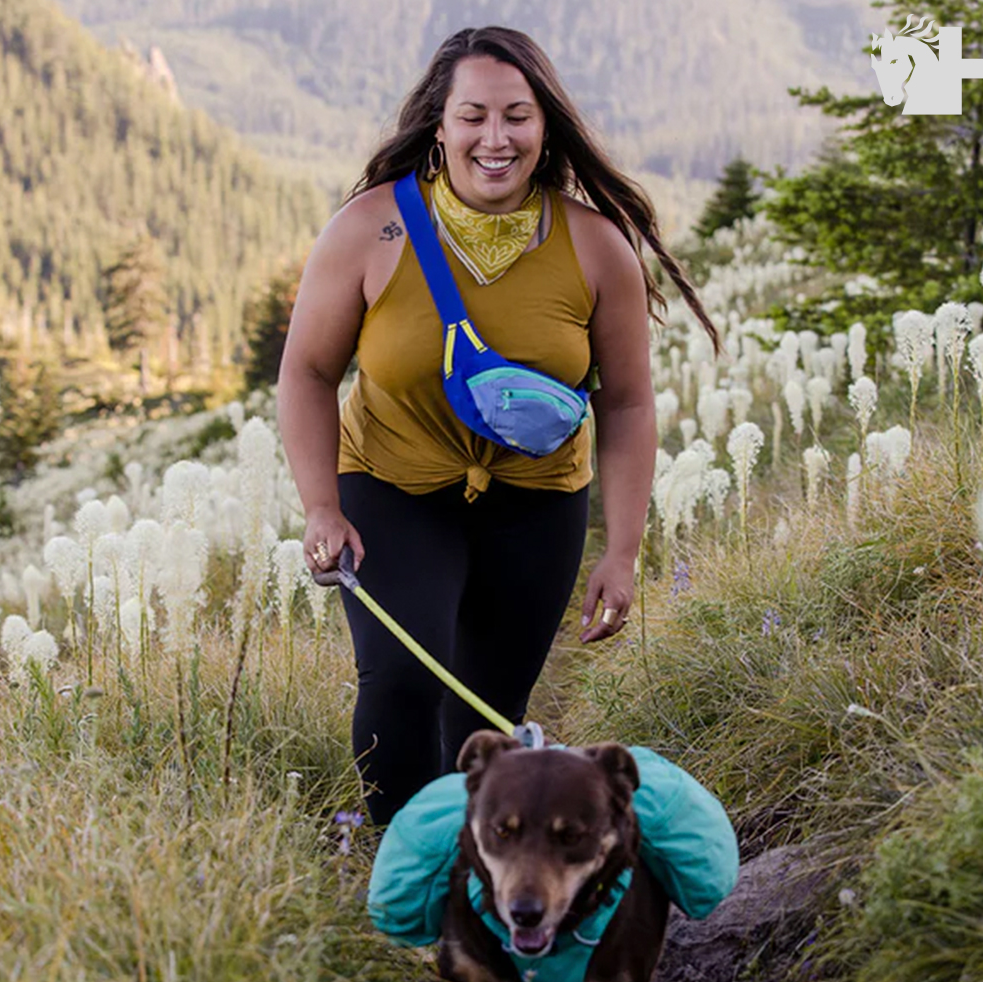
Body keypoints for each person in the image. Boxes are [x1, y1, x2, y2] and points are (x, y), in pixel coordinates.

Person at [276, 26, 719, 827]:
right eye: (473, 115)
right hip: (391, 489)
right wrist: (319, 506)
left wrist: (621, 552)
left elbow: (626, 404)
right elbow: (306, 374)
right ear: (438, 125)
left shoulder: (595, 245)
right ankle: (410, 880)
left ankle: (479, 881)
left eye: (517, 116)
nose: (495, 138)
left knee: (481, 718)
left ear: (545, 125)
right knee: (403, 686)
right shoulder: (370, 230)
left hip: (539, 504)